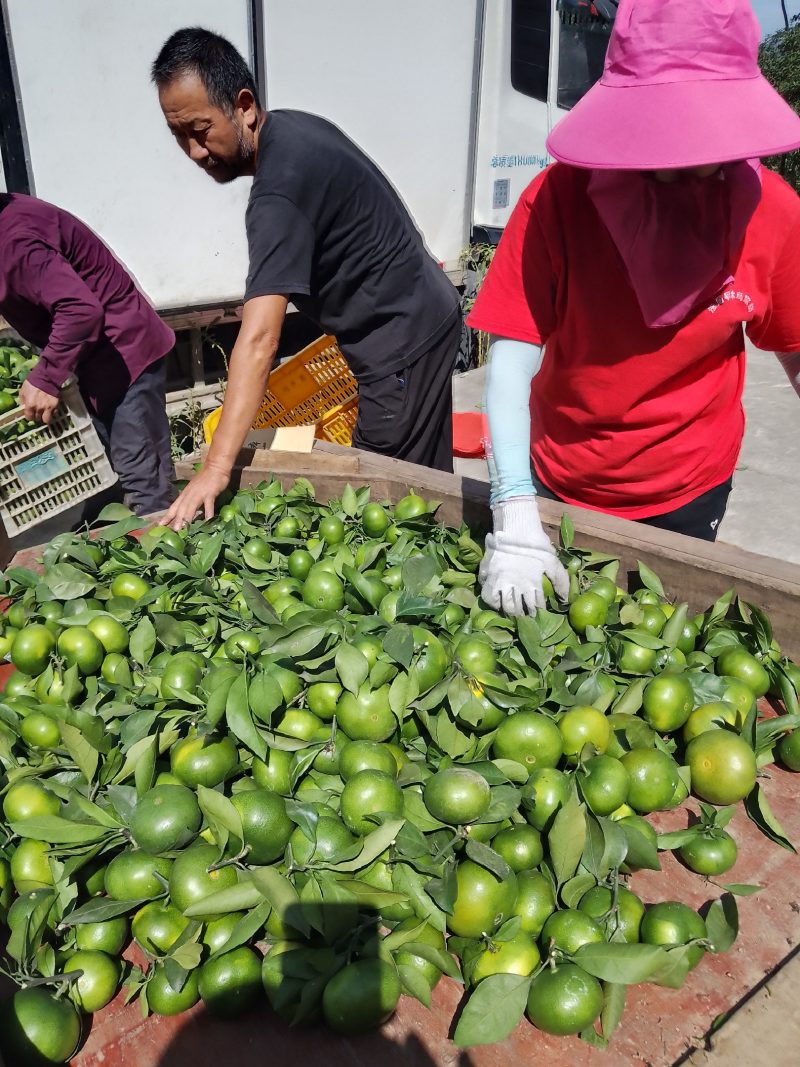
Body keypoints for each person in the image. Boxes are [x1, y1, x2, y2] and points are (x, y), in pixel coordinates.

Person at [470, 0, 800, 616]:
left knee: (665, 641)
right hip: (563, 478)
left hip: (692, 483)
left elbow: (794, 347)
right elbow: (512, 354)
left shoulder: (772, 212)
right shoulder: (557, 201)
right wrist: (514, 506)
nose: (675, 169)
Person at [151, 28, 462, 530]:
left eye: (200, 129)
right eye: (178, 135)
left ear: (244, 106)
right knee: (423, 482)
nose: (193, 151)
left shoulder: (279, 192)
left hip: (402, 340)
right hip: (420, 313)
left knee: (383, 504)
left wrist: (215, 468)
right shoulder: (291, 131)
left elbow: (260, 339)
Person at [0, 194, 176, 516]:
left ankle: (170, 552)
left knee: (143, 486)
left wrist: (46, 376)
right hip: (87, 361)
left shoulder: (14, 242)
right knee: (102, 482)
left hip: (123, 356)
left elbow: (80, 310)